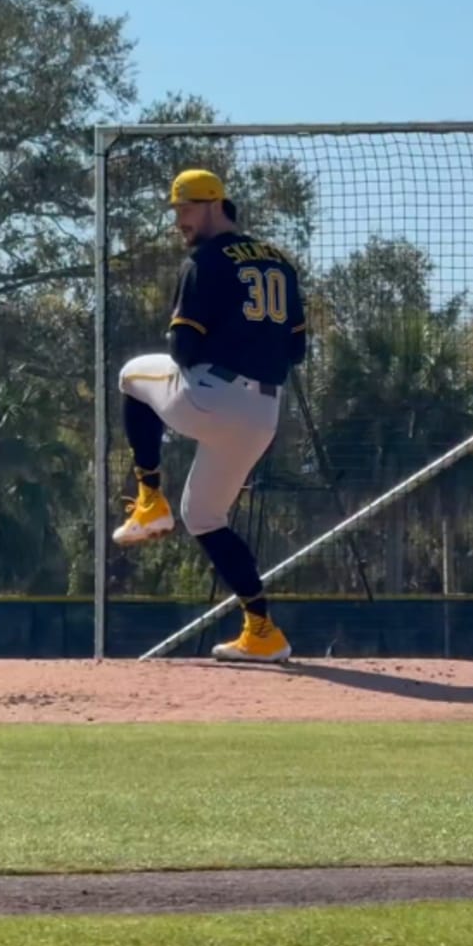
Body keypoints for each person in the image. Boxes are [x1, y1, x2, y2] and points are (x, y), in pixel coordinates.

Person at [112, 168, 310, 663]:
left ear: (214, 205)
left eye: (185, 208)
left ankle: (149, 498)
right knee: (204, 517)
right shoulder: (281, 263)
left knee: (131, 377)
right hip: (263, 413)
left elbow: (182, 347)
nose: (179, 220)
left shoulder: (205, 260)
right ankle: (262, 631)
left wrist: (209, 364)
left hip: (212, 396)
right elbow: (298, 350)